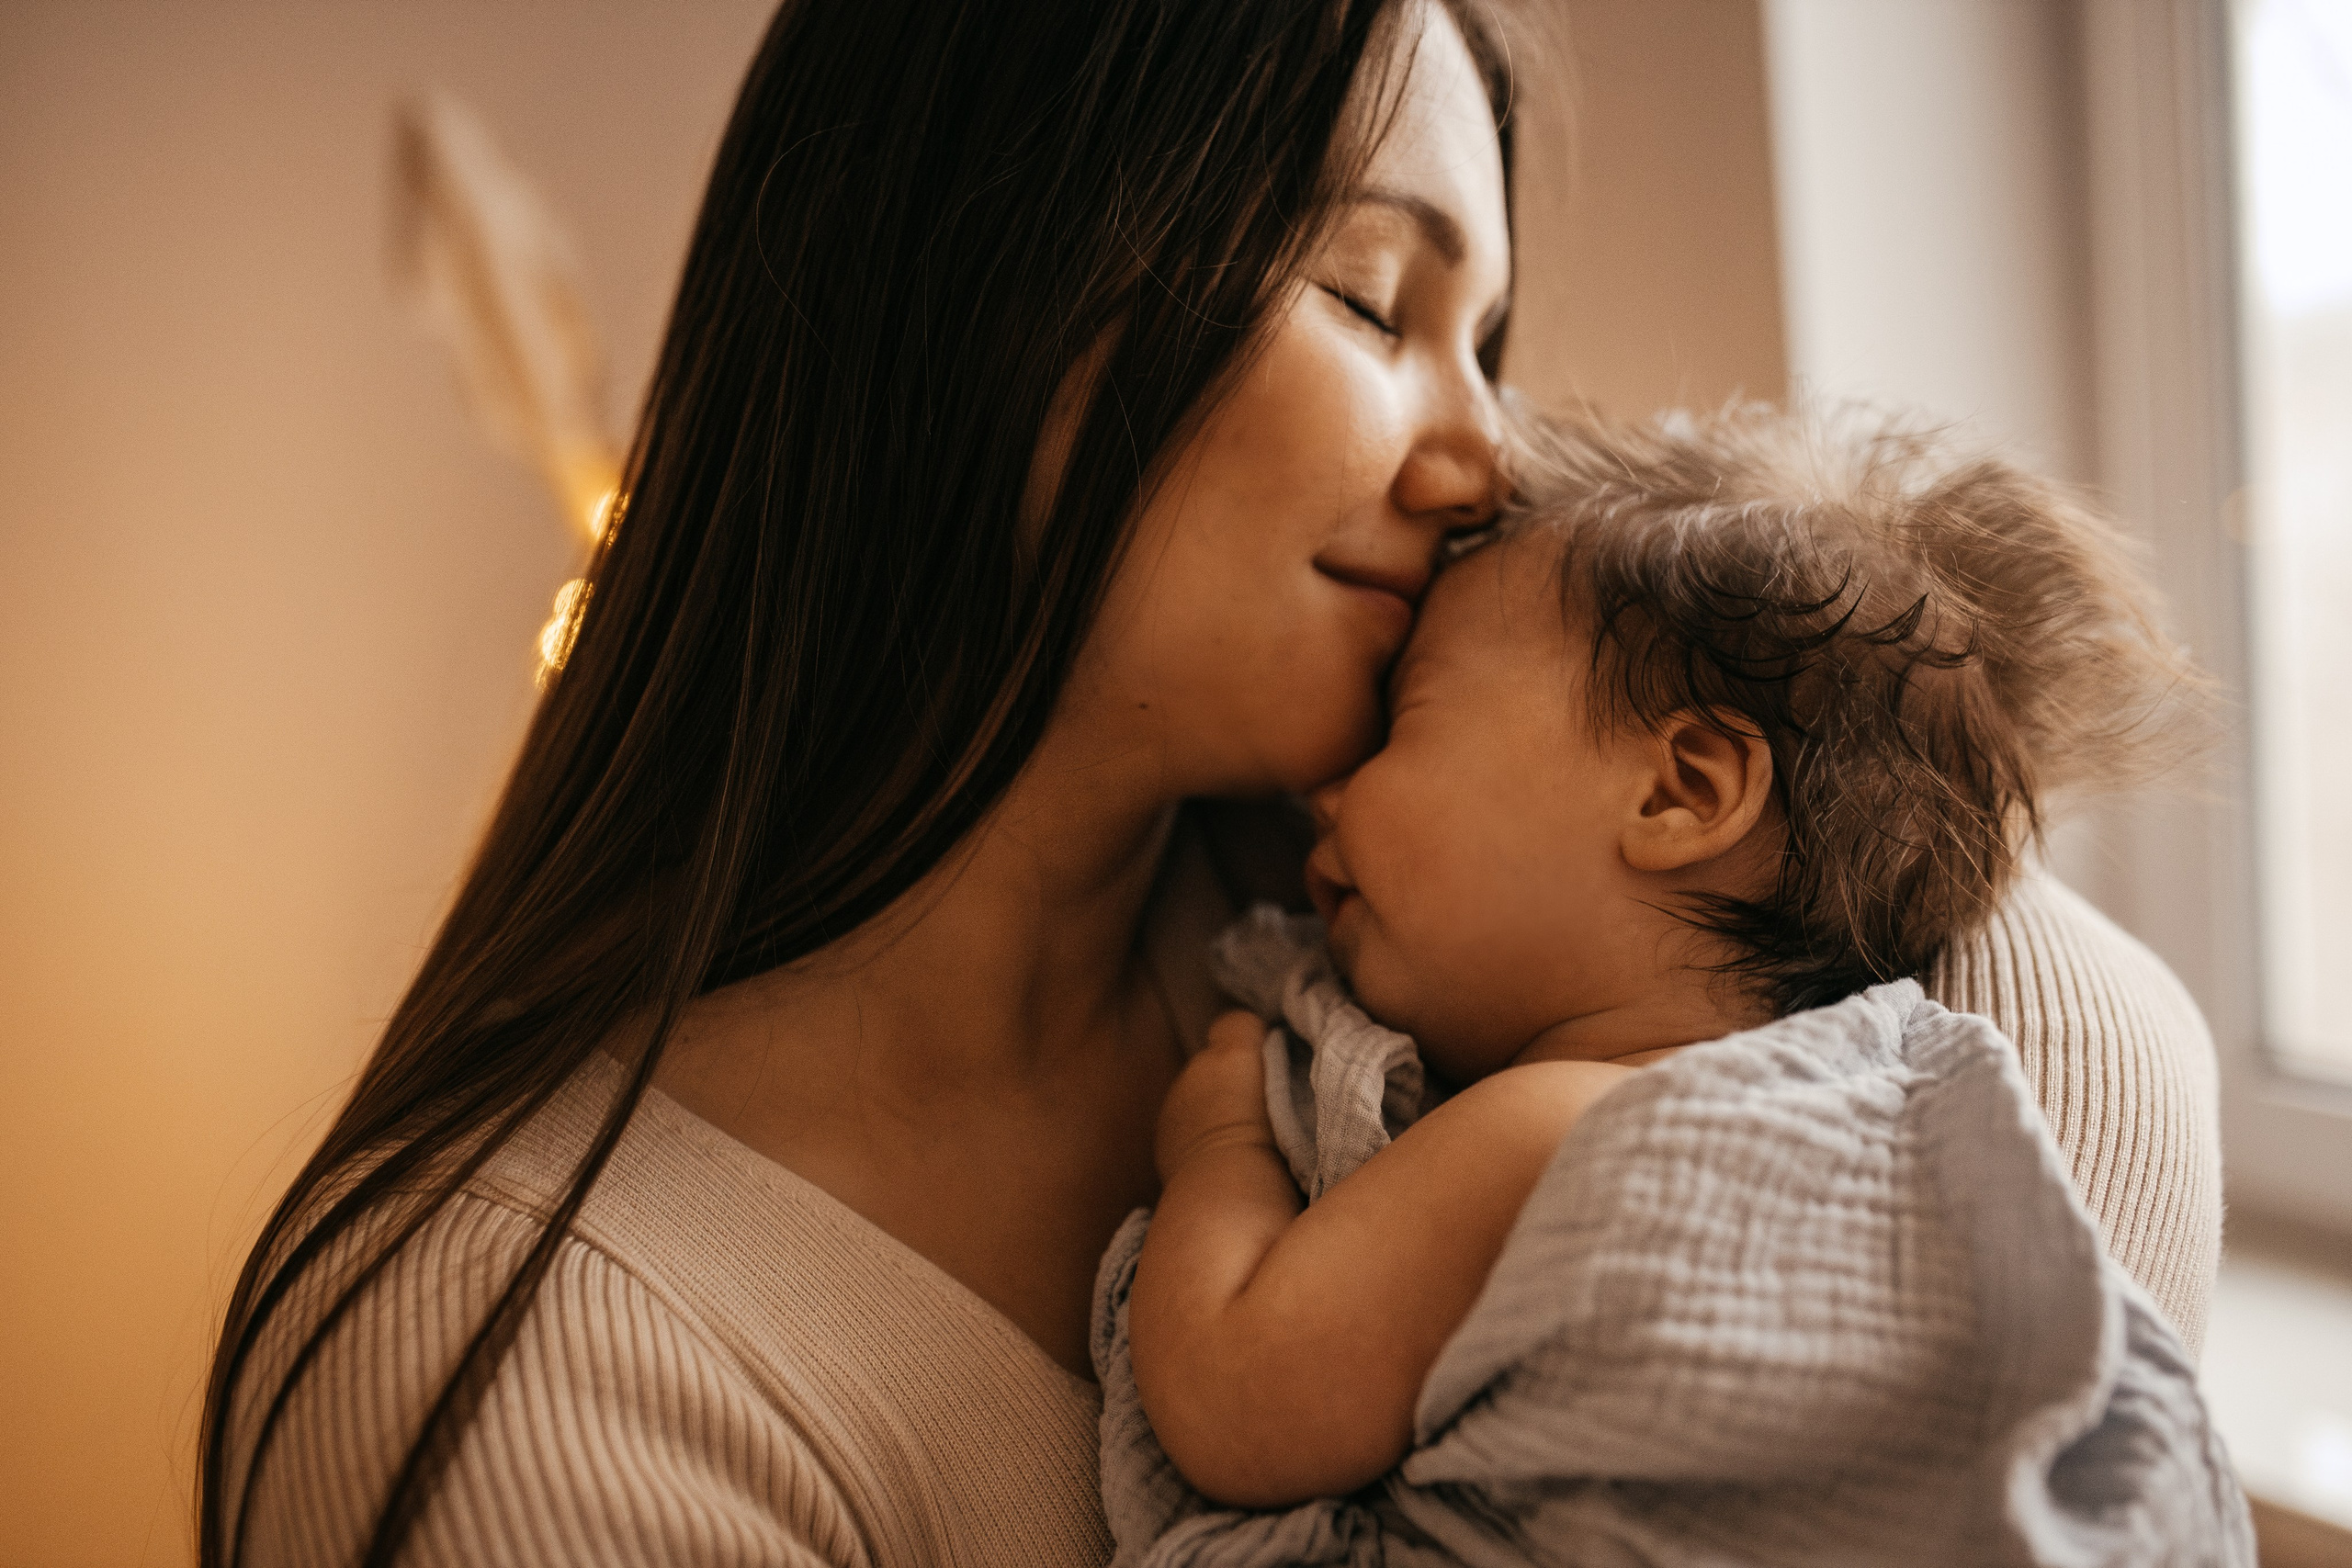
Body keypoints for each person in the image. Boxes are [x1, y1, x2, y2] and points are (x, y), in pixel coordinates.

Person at [196, 1, 2222, 1564]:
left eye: (1489, 340)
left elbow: (2080, 1045)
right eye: (1368, 297)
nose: (1488, 458)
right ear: (982, 285)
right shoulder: (517, 1362)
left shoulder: (1418, 911)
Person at [1096, 404, 2242, 1564]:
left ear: (1679, 792)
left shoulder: (1554, 1129)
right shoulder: (1854, 1093)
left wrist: (1218, 1147)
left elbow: (1239, 1403)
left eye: (1403, 720)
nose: (1329, 790)